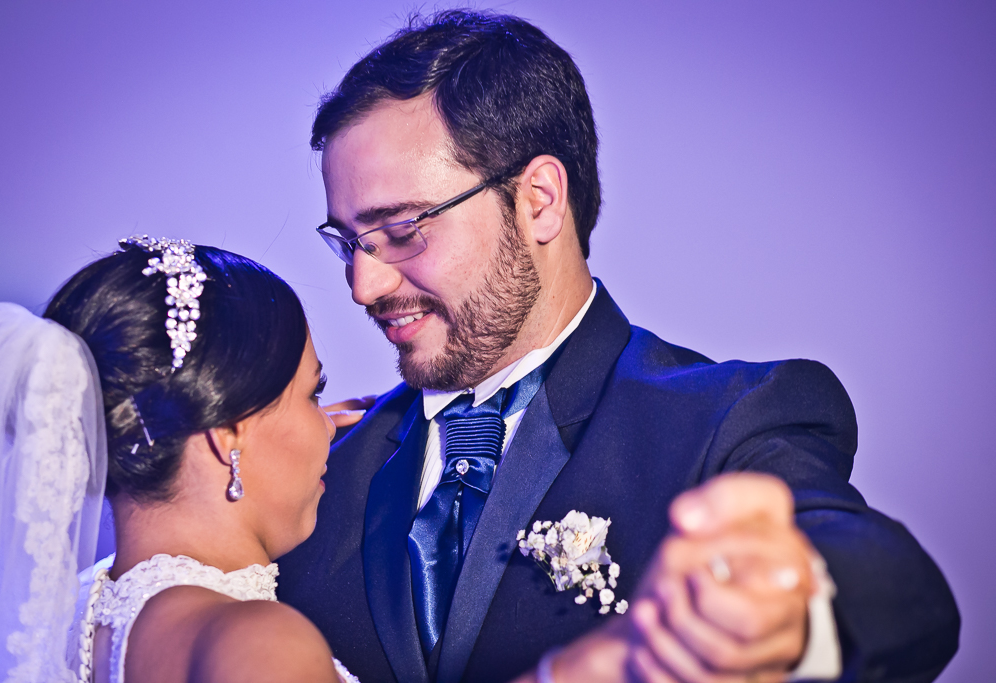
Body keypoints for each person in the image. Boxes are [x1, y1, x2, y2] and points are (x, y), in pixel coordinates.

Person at [275, 10, 960, 683]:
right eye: (347, 242)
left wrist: (793, 607)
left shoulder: (723, 418)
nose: (363, 286)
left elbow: (894, 586)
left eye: (401, 229)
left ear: (539, 200)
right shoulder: (315, 469)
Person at [0, 236, 683, 683]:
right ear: (230, 436)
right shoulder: (255, 641)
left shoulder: (68, 612)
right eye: (312, 395)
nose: (332, 426)